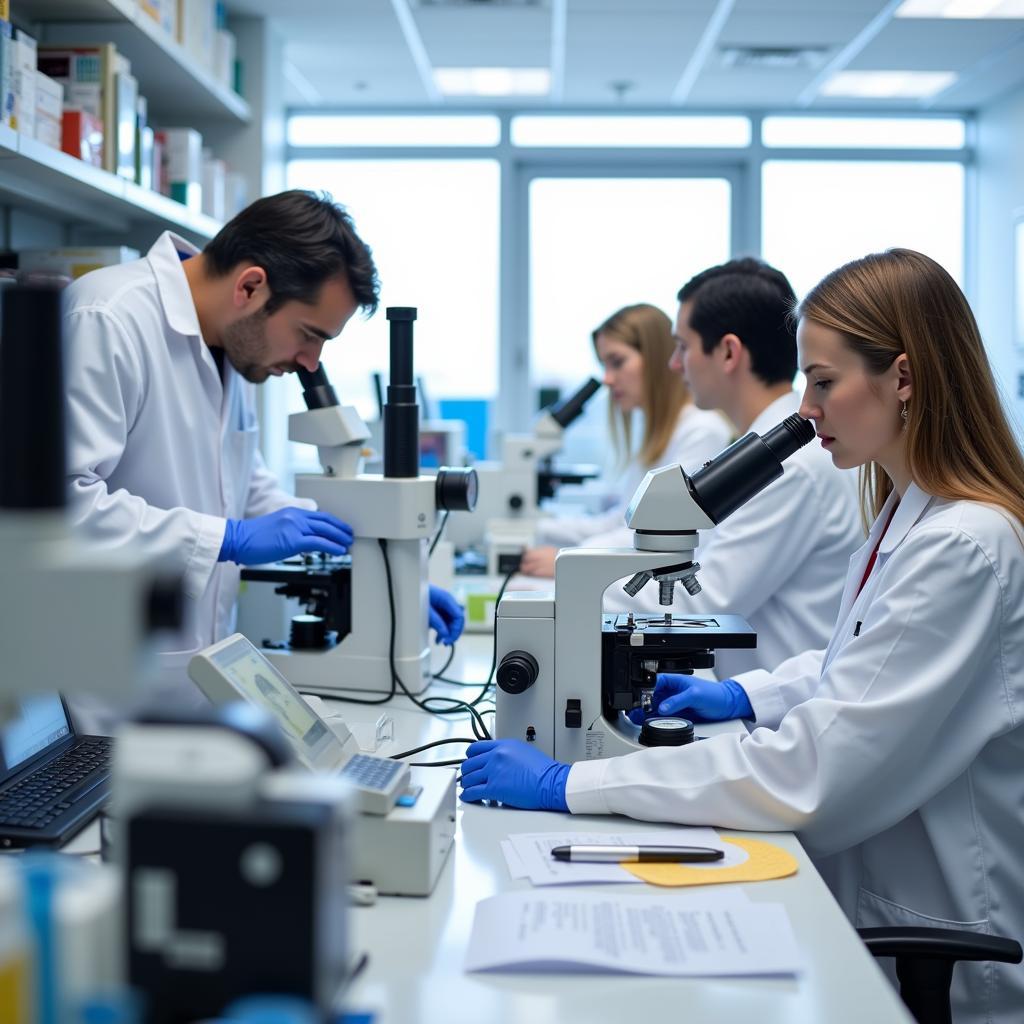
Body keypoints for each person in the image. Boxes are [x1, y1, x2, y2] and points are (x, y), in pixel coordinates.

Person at [460, 249, 1024, 1024]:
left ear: (903, 378)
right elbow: (851, 663)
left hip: (934, 947)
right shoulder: (907, 514)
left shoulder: (963, 545)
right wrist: (744, 696)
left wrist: (570, 786)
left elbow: (810, 772)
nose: (808, 410)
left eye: (823, 382)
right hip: (861, 889)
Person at [64, 190, 464, 726]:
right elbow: (58, 505)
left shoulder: (234, 346)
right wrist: (226, 540)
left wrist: (388, 579)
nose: (308, 361)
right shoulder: (107, 318)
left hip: (194, 682)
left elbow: (246, 489)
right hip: (99, 695)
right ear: (251, 286)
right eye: (308, 335)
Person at [601, 258, 862, 679]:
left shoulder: (792, 467)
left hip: (773, 718)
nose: (673, 365)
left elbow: (705, 601)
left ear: (727, 352)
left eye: (683, 347)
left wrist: (575, 590)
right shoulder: (754, 446)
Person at [518, 302, 731, 578]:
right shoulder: (659, 434)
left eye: (617, 362)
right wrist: (536, 529)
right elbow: (619, 522)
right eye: (604, 365)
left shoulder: (701, 432)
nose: (607, 379)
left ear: (656, 359)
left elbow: (657, 534)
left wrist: (569, 560)